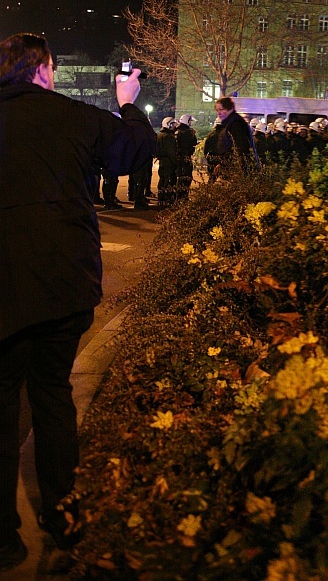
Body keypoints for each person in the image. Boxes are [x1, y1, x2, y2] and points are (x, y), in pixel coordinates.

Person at [0, 33, 156, 571]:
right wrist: (128, 102)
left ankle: (2, 537)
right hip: (61, 285)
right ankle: (63, 515)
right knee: (52, 397)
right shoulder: (72, 117)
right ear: (44, 69)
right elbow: (135, 152)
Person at [203, 96, 255, 180]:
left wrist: (224, 164)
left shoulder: (235, 124)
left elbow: (240, 148)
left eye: (221, 109)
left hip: (237, 170)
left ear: (230, 108)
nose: (219, 113)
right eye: (217, 110)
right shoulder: (229, 123)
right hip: (232, 168)